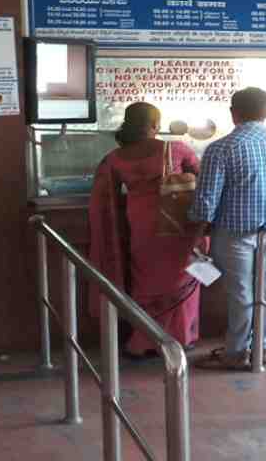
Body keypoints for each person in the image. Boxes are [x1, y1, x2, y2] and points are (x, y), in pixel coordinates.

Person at [189, 87, 266, 370]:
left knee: (241, 291)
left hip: (234, 233)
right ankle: (264, 347)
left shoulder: (221, 148)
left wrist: (197, 235)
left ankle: (238, 351)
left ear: (234, 113)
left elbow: (207, 200)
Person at [88, 102, 204, 357]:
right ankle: (180, 337)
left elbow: (104, 197)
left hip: (139, 222)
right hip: (174, 223)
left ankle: (144, 340)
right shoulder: (176, 149)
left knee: (144, 278)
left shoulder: (115, 158)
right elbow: (201, 179)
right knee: (179, 276)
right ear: (155, 125)